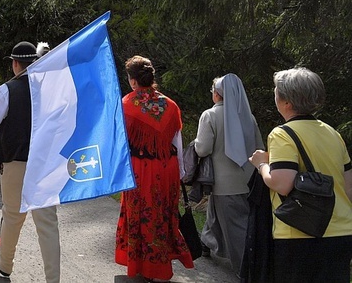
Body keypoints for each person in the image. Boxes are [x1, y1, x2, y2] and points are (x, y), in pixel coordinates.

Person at [0, 41, 60, 283]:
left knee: (12, 215)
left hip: (16, 161)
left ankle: (5, 264)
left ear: (15, 64)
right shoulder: (51, 89)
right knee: (47, 223)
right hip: (46, 164)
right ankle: (53, 278)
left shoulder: (8, 90)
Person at [249, 67, 352, 282]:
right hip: (341, 232)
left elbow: (282, 184)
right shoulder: (333, 133)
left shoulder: (282, 134)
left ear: (287, 102)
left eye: (276, 90)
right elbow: (349, 187)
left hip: (299, 232)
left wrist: (261, 165)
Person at [115, 55, 194, 283]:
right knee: (162, 216)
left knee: (140, 216)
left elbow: (121, 144)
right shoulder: (171, 106)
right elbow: (177, 144)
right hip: (167, 168)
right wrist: (178, 175)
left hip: (140, 170)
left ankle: (141, 266)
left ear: (132, 80)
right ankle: (160, 269)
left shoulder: (127, 105)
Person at [194, 73, 264, 274]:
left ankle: (249, 271)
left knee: (237, 228)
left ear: (217, 94)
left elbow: (203, 149)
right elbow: (259, 147)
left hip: (223, 183)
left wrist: (194, 144)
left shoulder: (210, 115)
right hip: (249, 179)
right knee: (215, 215)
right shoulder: (248, 117)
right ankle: (207, 242)